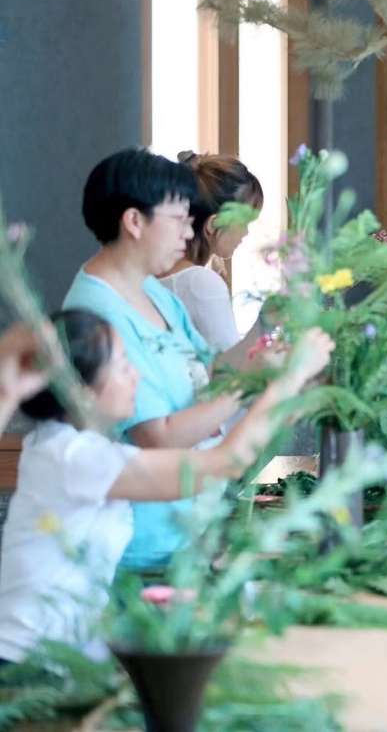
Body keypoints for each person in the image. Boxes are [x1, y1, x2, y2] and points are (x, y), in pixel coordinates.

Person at [0, 310, 331, 664]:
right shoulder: (73, 456)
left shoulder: (70, 446)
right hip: (28, 664)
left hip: (64, 656)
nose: (137, 375)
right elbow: (224, 462)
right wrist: (290, 379)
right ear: (82, 392)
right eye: (123, 365)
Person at [62, 148, 267, 570]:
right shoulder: (100, 312)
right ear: (134, 221)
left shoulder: (151, 290)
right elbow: (155, 437)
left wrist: (267, 335)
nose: (189, 231)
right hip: (138, 545)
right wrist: (260, 385)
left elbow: (207, 371)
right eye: (178, 219)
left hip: (185, 528)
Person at [159, 151, 264, 354]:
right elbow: (231, 370)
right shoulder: (200, 282)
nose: (246, 232)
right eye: (243, 223)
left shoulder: (158, 273)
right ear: (213, 224)